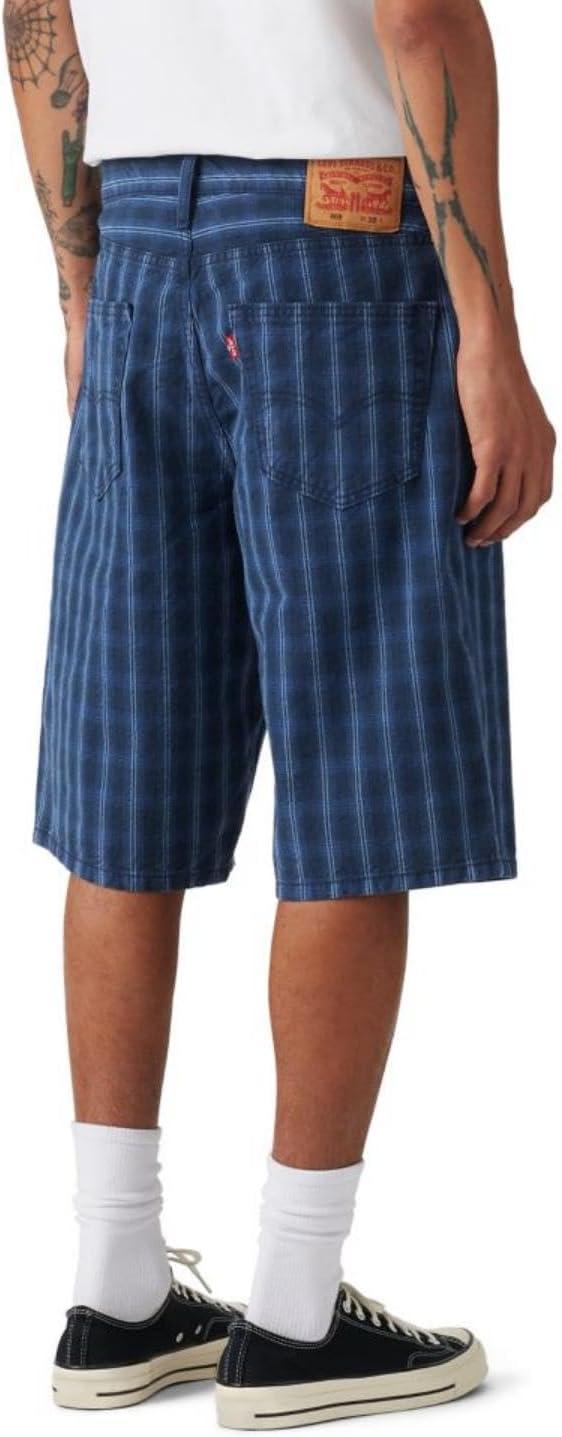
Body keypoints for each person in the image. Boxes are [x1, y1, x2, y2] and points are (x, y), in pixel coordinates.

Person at [4, 0, 555, 1426]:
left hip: (137, 247)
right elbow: (418, 16)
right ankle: (296, 1318)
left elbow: (36, 20)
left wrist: (81, 292)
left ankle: (116, 1291)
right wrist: (489, 332)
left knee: (127, 775)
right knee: (355, 776)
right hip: (339, 251)